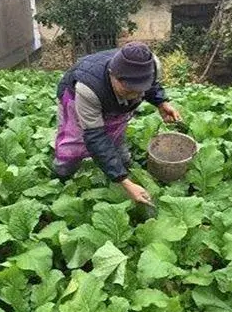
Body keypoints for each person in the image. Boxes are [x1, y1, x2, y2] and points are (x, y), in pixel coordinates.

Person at [53, 41, 181, 205]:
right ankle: (61, 177)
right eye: (129, 90)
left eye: (140, 90)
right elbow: (95, 137)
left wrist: (162, 102)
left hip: (112, 100)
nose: (136, 96)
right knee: (72, 145)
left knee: (116, 133)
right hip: (74, 97)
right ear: (113, 75)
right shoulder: (88, 89)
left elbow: (152, 86)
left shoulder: (151, 66)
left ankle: (121, 162)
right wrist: (124, 183)